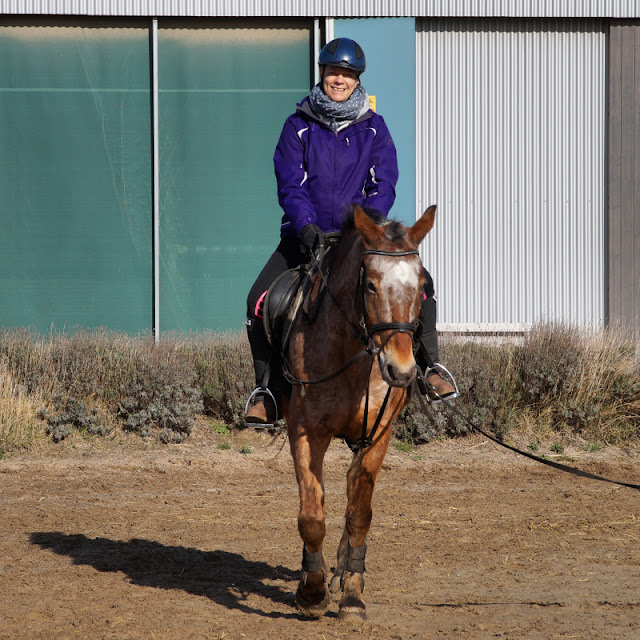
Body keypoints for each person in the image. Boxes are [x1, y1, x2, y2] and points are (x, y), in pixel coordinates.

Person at [244, 37, 457, 426]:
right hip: (304, 238)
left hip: (358, 237)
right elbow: (290, 182)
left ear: (357, 80)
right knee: (258, 301)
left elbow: (385, 182)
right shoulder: (297, 125)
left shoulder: (375, 128)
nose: (338, 79)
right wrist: (306, 226)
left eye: (347, 74)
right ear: (322, 74)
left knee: (421, 284)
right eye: (333, 72)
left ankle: (430, 369)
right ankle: (270, 391)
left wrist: (366, 224)